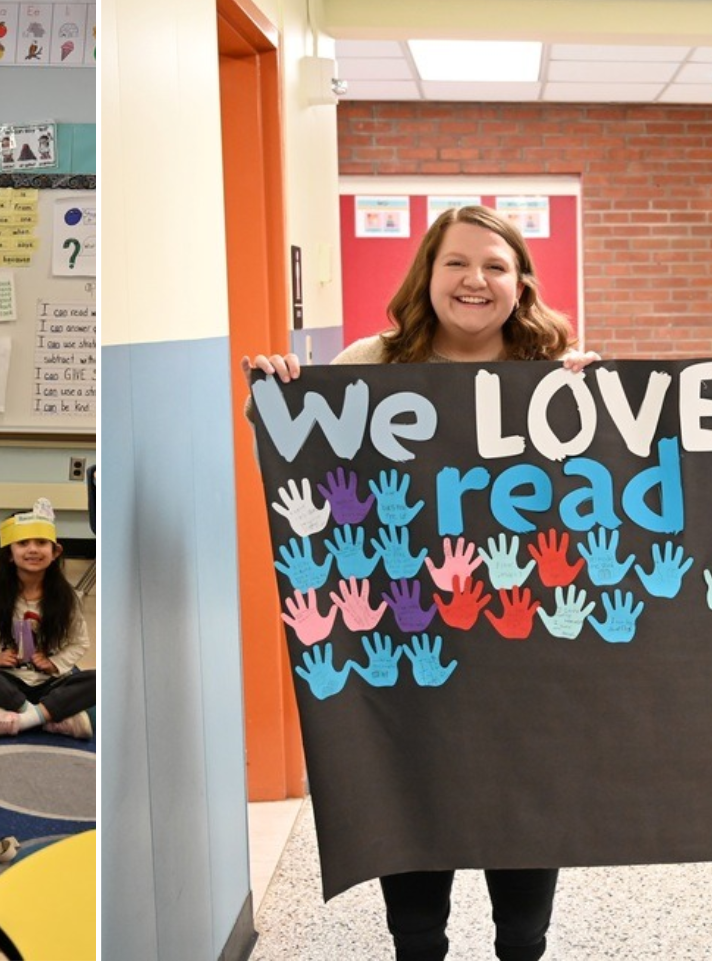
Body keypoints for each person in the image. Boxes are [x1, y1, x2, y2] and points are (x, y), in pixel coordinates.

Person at [246, 203, 597, 961]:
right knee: (411, 800)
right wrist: (279, 391)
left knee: (525, 807)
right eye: (457, 263)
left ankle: (522, 947)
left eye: (496, 266)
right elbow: (308, 459)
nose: (476, 280)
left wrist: (605, 395)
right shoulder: (375, 362)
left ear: (520, 282)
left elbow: (600, 489)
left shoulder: (555, 367)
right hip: (408, 639)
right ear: (428, 276)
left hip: (521, 641)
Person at [0, 501, 94, 740]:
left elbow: (80, 642)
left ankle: (15, 720)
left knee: (98, 680)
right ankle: (45, 716)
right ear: (9, 553)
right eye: (22, 543)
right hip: (6, 682)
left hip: (50, 683)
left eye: (41, 543)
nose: (33, 550)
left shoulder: (67, 598)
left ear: (55, 552)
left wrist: (54, 663)